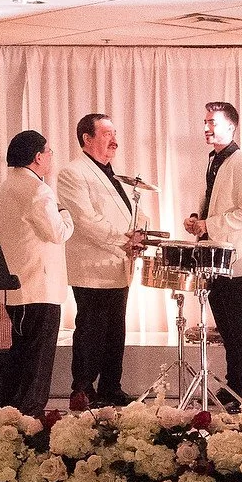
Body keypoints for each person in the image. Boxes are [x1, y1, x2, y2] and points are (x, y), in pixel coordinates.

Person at [56, 113, 146, 407]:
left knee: (115, 329)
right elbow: (85, 220)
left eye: (114, 133)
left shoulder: (115, 175)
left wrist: (142, 232)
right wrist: (124, 239)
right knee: (91, 329)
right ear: (87, 139)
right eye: (107, 133)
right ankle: (81, 388)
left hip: (118, 265)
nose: (114, 140)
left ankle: (111, 385)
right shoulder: (73, 173)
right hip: (92, 267)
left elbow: (131, 215)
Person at [183, 100, 242, 404]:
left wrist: (210, 225)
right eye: (205, 121)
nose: (206, 128)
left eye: (213, 122)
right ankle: (235, 385)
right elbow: (217, 200)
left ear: (231, 126)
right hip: (216, 254)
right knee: (228, 327)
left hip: (234, 256)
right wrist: (197, 219)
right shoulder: (216, 160)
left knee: (238, 325)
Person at [0, 130, 72, 417]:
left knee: (20, 356)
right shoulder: (37, 190)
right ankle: (31, 417)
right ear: (38, 157)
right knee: (37, 361)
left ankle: (9, 413)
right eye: (48, 152)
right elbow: (57, 232)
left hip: (16, 285)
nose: (51, 157)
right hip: (40, 285)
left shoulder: (4, 187)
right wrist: (65, 213)